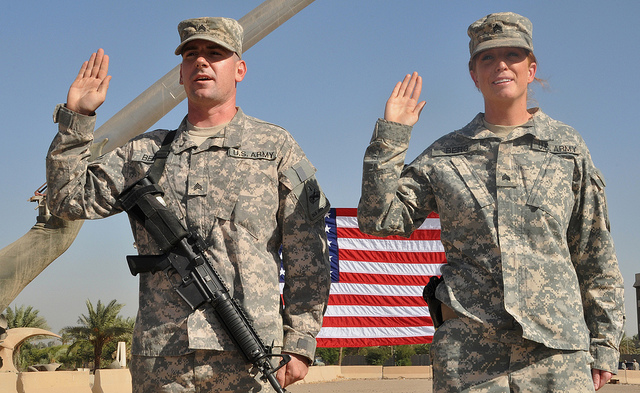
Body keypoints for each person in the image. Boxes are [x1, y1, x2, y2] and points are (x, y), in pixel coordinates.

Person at [46, 17, 331, 392]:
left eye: (215, 54)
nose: (201, 62)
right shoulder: (143, 152)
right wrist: (78, 119)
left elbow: (307, 254)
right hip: (163, 359)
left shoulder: (274, 148)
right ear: (181, 74)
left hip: (248, 356)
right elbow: (67, 199)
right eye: (191, 55)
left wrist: (300, 342)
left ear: (239, 69)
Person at [357, 12, 625, 393]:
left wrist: (604, 344)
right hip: (470, 362)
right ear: (474, 74)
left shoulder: (567, 150)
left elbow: (595, 253)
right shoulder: (445, 155)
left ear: (531, 69)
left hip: (556, 359)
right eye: (487, 57)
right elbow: (378, 218)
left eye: (513, 55)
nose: (501, 64)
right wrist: (393, 135)